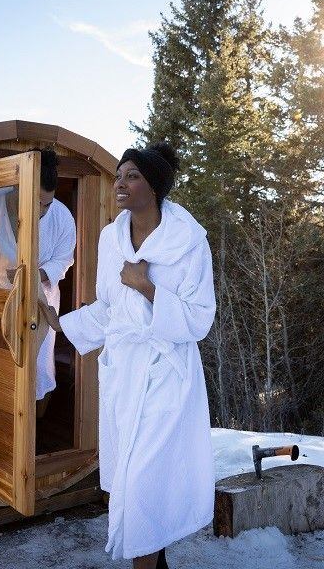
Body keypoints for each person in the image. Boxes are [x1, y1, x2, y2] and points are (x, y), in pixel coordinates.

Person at [40, 143, 216, 569]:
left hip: (165, 380)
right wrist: (61, 323)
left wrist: (148, 288)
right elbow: (109, 309)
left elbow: (199, 320)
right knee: (134, 485)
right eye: (119, 175)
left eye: (131, 175)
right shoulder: (110, 238)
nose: (119, 182)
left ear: (153, 186)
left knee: (141, 484)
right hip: (124, 373)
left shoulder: (189, 243)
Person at [0, 148, 76, 412]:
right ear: (19, 187)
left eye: (48, 203)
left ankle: (35, 433)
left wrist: (36, 275)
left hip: (39, 303)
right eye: (37, 202)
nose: (43, 211)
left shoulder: (62, 217)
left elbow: (64, 259)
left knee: (40, 369)